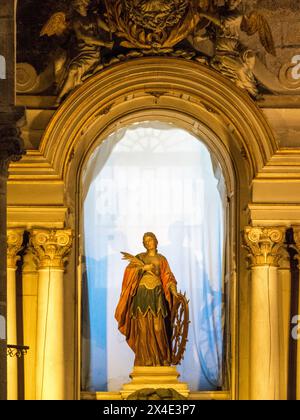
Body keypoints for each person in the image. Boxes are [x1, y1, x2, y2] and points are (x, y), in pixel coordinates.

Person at [115, 232, 178, 366]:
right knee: (142, 329)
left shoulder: (161, 259)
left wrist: (172, 288)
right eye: (145, 241)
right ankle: (144, 360)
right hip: (141, 295)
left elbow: (168, 276)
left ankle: (162, 358)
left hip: (156, 294)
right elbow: (129, 272)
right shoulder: (140, 257)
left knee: (158, 328)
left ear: (156, 241)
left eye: (150, 239)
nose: (148, 242)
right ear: (143, 244)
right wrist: (143, 268)